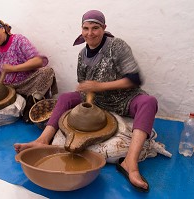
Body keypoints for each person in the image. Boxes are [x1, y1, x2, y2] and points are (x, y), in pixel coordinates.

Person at [14, 10, 158, 192]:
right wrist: (88, 92)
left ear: (104, 28)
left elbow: (135, 78)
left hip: (124, 97)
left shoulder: (117, 46)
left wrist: (100, 86)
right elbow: (85, 84)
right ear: (81, 30)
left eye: (95, 28)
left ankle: (130, 163)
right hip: (97, 100)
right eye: (86, 28)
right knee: (66, 97)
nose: (90, 33)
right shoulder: (82, 54)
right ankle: (43, 140)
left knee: (149, 102)